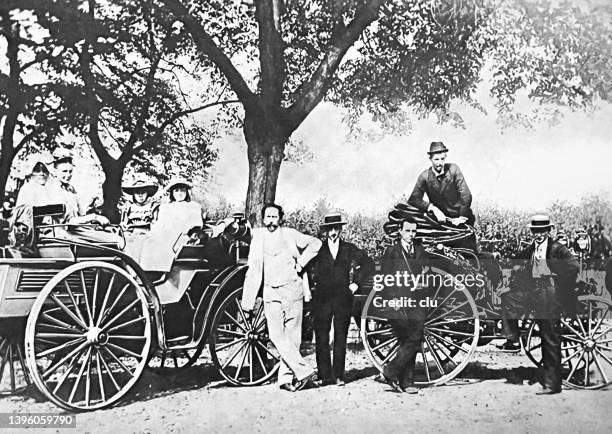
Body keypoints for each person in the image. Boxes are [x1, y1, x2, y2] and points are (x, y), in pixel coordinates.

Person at [240, 203, 321, 392]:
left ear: (280, 218)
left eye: (274, 217)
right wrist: (248, 300)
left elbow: (315, 243)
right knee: (276, 335)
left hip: (292, 289)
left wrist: (301, 264)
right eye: (267, 217)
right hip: (271, 291)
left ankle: (285, 379)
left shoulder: (289, 234)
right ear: (263, 219)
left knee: (293, 337)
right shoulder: (258, 237)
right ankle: (304, 371)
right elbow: (253, 269)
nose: (271, 221)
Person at [500, 214, 579, 394]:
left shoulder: (558, 249)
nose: (538, 234)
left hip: (549, 293)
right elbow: (517, 258)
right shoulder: (532, 248)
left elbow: (573, 267)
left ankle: (552, 384)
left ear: (548, 231)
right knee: (508, 299)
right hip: (532, 291)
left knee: (549, 336)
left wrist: (557, 283)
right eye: (535, 231)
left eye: (542, 231)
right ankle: (513, 339)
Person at [309, 213, 374, 387]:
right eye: (330, 229)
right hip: (321, 299)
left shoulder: (348, 248)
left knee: (341, 336)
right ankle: (324, 376)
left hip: (342, 299)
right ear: (325, 231)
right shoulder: (317, 248)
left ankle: (338, 375)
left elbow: (368, 263)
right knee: (322, 337)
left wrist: (356, 284)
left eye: (336, 228)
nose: (333, 232)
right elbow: (305, 267)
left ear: (340, 229)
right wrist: (308, 288)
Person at [379, 220, 428, 394]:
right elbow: (384, 279)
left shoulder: (421, 251)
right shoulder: (391, 252)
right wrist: (392, 300)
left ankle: (395, 374)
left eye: (414, 231)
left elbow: (427, 274)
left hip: (416, 302)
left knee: (415, 337)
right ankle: (404, 380)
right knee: (407, 339)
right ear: (400, 231)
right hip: (397, 303)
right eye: (407, 230)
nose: (411, 234)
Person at [127, 177, 203, 272]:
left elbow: (195, 224)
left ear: (186, 192)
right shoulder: (165, 207)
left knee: (163, 244)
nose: (179, 194)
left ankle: (158, 271)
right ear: (172, 193)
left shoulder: (193, 206)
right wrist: (152, 234)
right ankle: (146, 271)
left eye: (182, 191)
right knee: (147, 241)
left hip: (181, 236)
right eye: (176, 191)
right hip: (165, 233)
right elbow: (160, 224)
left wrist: (194, 233)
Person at [408, 141, 474, 226]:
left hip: (461, 219)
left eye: (442, 159)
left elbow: (466, 195)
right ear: (430, 159)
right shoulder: (424, 176)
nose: (439, 163)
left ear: (445, 157)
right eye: (436, 159)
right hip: (440, 220)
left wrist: (462, 217)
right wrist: (433, 208)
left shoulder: (454, 169)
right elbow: (414, 199)